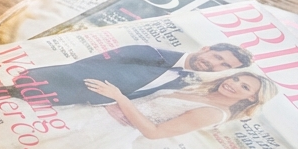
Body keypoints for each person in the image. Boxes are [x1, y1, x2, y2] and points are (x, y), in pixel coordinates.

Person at [2, 72, 279, 149]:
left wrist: (119, 98)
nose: (233, 85)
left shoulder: (213, 113)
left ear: (251, 98)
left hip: (105, 134)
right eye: (237, 79)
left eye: (244, 87)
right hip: (96, 115)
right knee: (14, 134)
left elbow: (154, 132)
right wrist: (111, 102)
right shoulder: (200, 90)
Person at [17, 43, 253, 106]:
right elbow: (86, 64)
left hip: (77, 104)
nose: (214, 64)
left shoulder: (185, 81)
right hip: (54, 82)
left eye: (224, 66)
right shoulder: (148, 52)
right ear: (206, 49)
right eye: (217, 57)